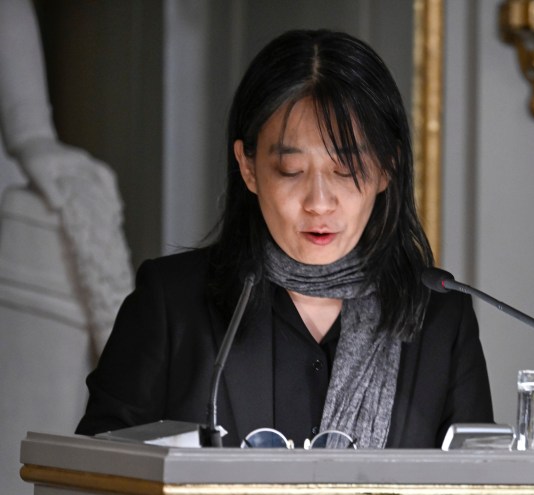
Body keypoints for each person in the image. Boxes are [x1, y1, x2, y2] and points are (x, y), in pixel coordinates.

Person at [75, 29, 493, 448]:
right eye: (291, 172)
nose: (319, 203)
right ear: (248, 168)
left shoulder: (440, 320)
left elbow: (479, 483)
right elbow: (95, 472)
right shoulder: (172, 304)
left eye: (345, 171)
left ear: (387, 168)